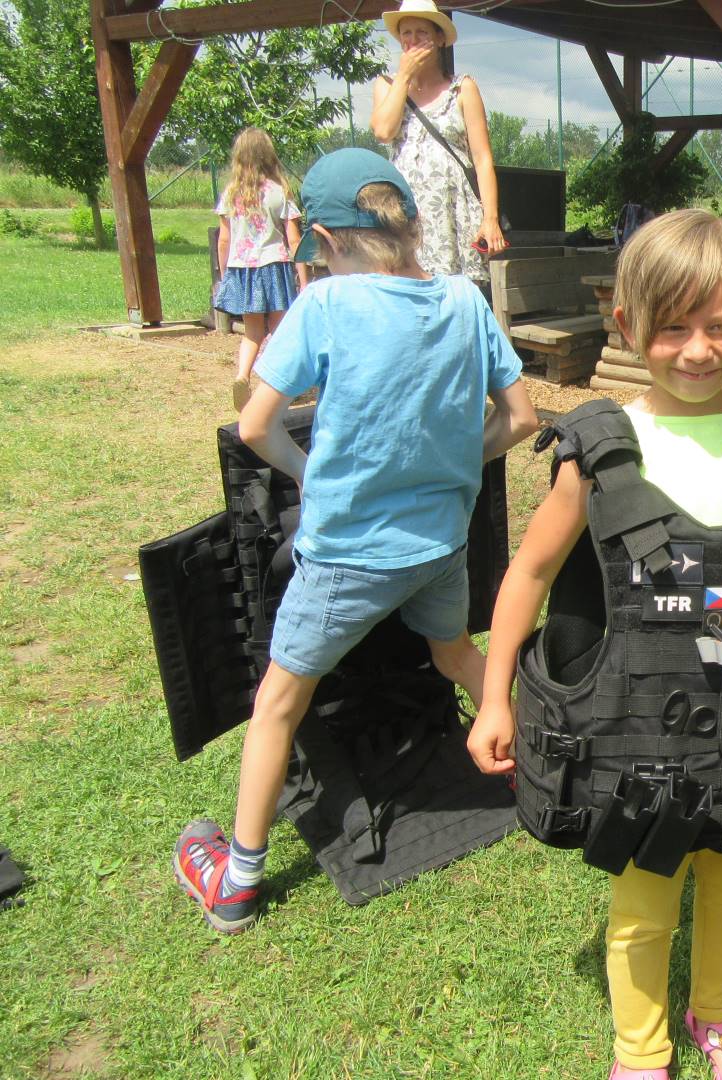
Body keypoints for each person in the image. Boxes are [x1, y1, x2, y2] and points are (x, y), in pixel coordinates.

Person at [467, 209, 722, 1080]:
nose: (698, 350)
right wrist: (495, 695)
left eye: (721, 327)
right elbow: (529, 574)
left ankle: (718, 1018)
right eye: (673, 328)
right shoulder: (601, 451)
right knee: (645, 908)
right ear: (628, 326)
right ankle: (639, 1053)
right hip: (640, 748)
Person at [172, 149, 538, 934]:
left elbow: (255, 426)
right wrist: (452, 463)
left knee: (277, 702)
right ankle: (534, 767)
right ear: (408, 225)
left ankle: (235, 883)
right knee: (455, 654)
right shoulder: (465, 301)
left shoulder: (324, 305)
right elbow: (522, 418)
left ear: (328, 240)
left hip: (347, 559)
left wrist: (311, 475)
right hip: (440, 548)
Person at [370, 0, 506, 286]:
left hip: (454, 214)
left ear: (440, 39)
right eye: (406, 33)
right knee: (407, 292)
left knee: (455, 295)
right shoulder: (387, 85)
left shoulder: (462, 88)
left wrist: (491, 219)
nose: (413, 40)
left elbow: (482, 159)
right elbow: (383, 131)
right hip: (406, 217)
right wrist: (404, 76)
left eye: (422, 32)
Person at [212, 126, 308, 411]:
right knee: (280, 330)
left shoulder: (231, 194)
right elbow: (294, 239)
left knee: (252, 332)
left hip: (243, 269)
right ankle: (279, 385)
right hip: (274, 267)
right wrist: (304, 279)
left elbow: (224, 240)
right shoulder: (279, 192)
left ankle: (242, 376)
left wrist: (225, 275)